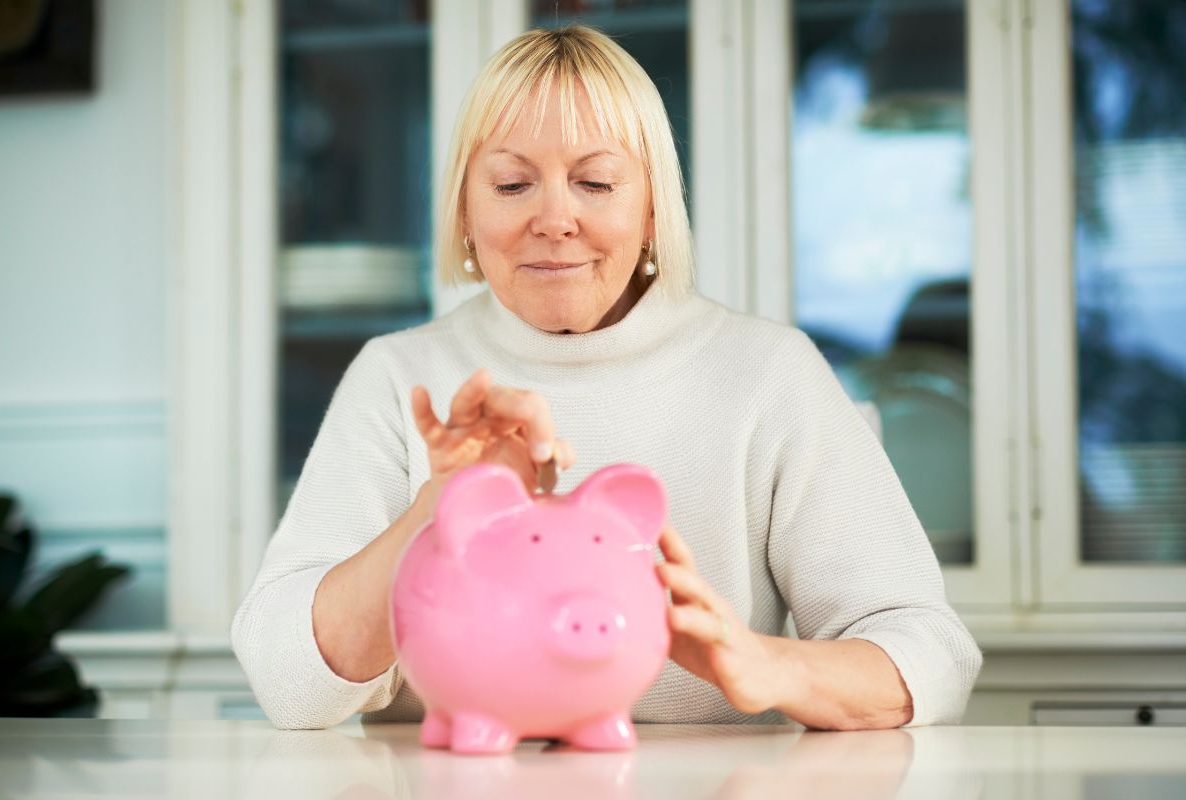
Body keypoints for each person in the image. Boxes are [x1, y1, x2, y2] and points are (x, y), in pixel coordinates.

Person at [231, 25, 983, 732]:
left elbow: (929, 650)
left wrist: (767, 666)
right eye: (511, 184)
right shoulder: (400, 378)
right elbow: (287, 681)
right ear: (464, 210)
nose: (555, 219)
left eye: (595, 183)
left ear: (652, 207)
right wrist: (438, 506)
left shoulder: (768, 374)